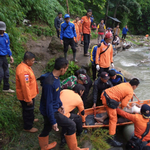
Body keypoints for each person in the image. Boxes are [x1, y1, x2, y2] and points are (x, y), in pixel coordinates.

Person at [38, 57, 89, 150]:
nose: (66, 71)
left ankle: (44, 146)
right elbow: (48, 103)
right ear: (62, 69)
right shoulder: (49, 83)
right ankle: (74, 148)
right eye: (66, 69)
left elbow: (56, 96)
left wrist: (60, 104)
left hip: (54, 107)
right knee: (71, 125)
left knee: (47, 127)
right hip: (51, 111)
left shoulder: (56, 78)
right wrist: (53, 120)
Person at [100, 78, 140, 147]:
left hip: (104, 94)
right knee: (113, 119)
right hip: (109, 100)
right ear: (135, 86)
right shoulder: (130, 92)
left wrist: (126, 104)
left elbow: (121, 95)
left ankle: (102, 119)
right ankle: (111, 138)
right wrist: (126, 106)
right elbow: (123, 104)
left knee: (113, 110)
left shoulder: (124, 84)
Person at [16, 52, 39, 133]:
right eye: (32, 61)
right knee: (28, 110)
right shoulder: (23, 71)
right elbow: (25, 87)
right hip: (26, 97)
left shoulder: (26, 66)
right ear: (27, 60)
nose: (33, 62)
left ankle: (31, 119)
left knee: (30, 110)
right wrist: (28, 99)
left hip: (30, 94)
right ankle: (28, 127)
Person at [0, 21, 15, 93]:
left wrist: (10, 55)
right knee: (1, 74)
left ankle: (6, 88)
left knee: (6, 73)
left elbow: (7, 46)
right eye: (1, 29)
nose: (2, 31)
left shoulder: (6, 35)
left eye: (3, 29)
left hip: (4, 57)